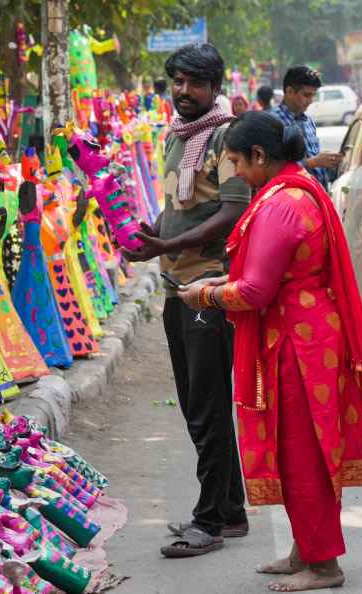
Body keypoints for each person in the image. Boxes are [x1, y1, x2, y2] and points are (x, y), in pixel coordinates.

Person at [178, 111, 362, 591]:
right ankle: (304, 550)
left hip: (299, 344)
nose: (234, 172)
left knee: (303, 453)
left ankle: (324, 565)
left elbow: (254, 293)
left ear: (259, 156)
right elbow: (265, 278)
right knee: (301, 450)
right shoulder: (295, 188)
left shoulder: (281, 205)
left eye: (235, 162)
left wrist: (205, 295)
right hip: (304, 333)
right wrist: (218, 281)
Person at [124, 43, 252, 558]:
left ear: (215, 87)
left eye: (194, 82)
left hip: (211, 287)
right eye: (176, 81)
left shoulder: (227, 136)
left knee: (208, 405)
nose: (182, 91)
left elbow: (232, 211)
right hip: (178, 286)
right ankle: (232, 510)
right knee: (197, 402)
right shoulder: (176, 137)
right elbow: (181, 207)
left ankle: (208, 523)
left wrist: (171, 244)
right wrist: (149, 238)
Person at [271, 66, 342, 188]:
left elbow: (314, 160)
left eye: (313, 95)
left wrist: (328, 162)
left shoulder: (308, 122)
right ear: (289, 92)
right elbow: (273, 166)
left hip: (314, 194)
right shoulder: (272, 121)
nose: (310, 101)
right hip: (290, 196)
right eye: (306, 95)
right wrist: (313, 162)